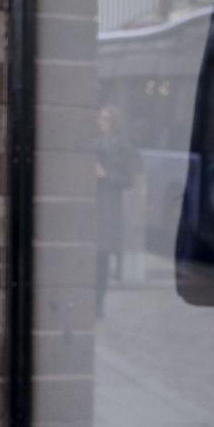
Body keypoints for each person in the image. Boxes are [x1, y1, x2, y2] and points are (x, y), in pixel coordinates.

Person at [93, 103, 140, 316]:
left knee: (101, 257)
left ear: (113, 123)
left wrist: (105, 175)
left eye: (104, 119)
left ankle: (98, 304)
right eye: (99, 118)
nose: (100, 122)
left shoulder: (124, 147)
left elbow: (129, 179)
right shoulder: (94, 142)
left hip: (108, 208)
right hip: (92, 205)